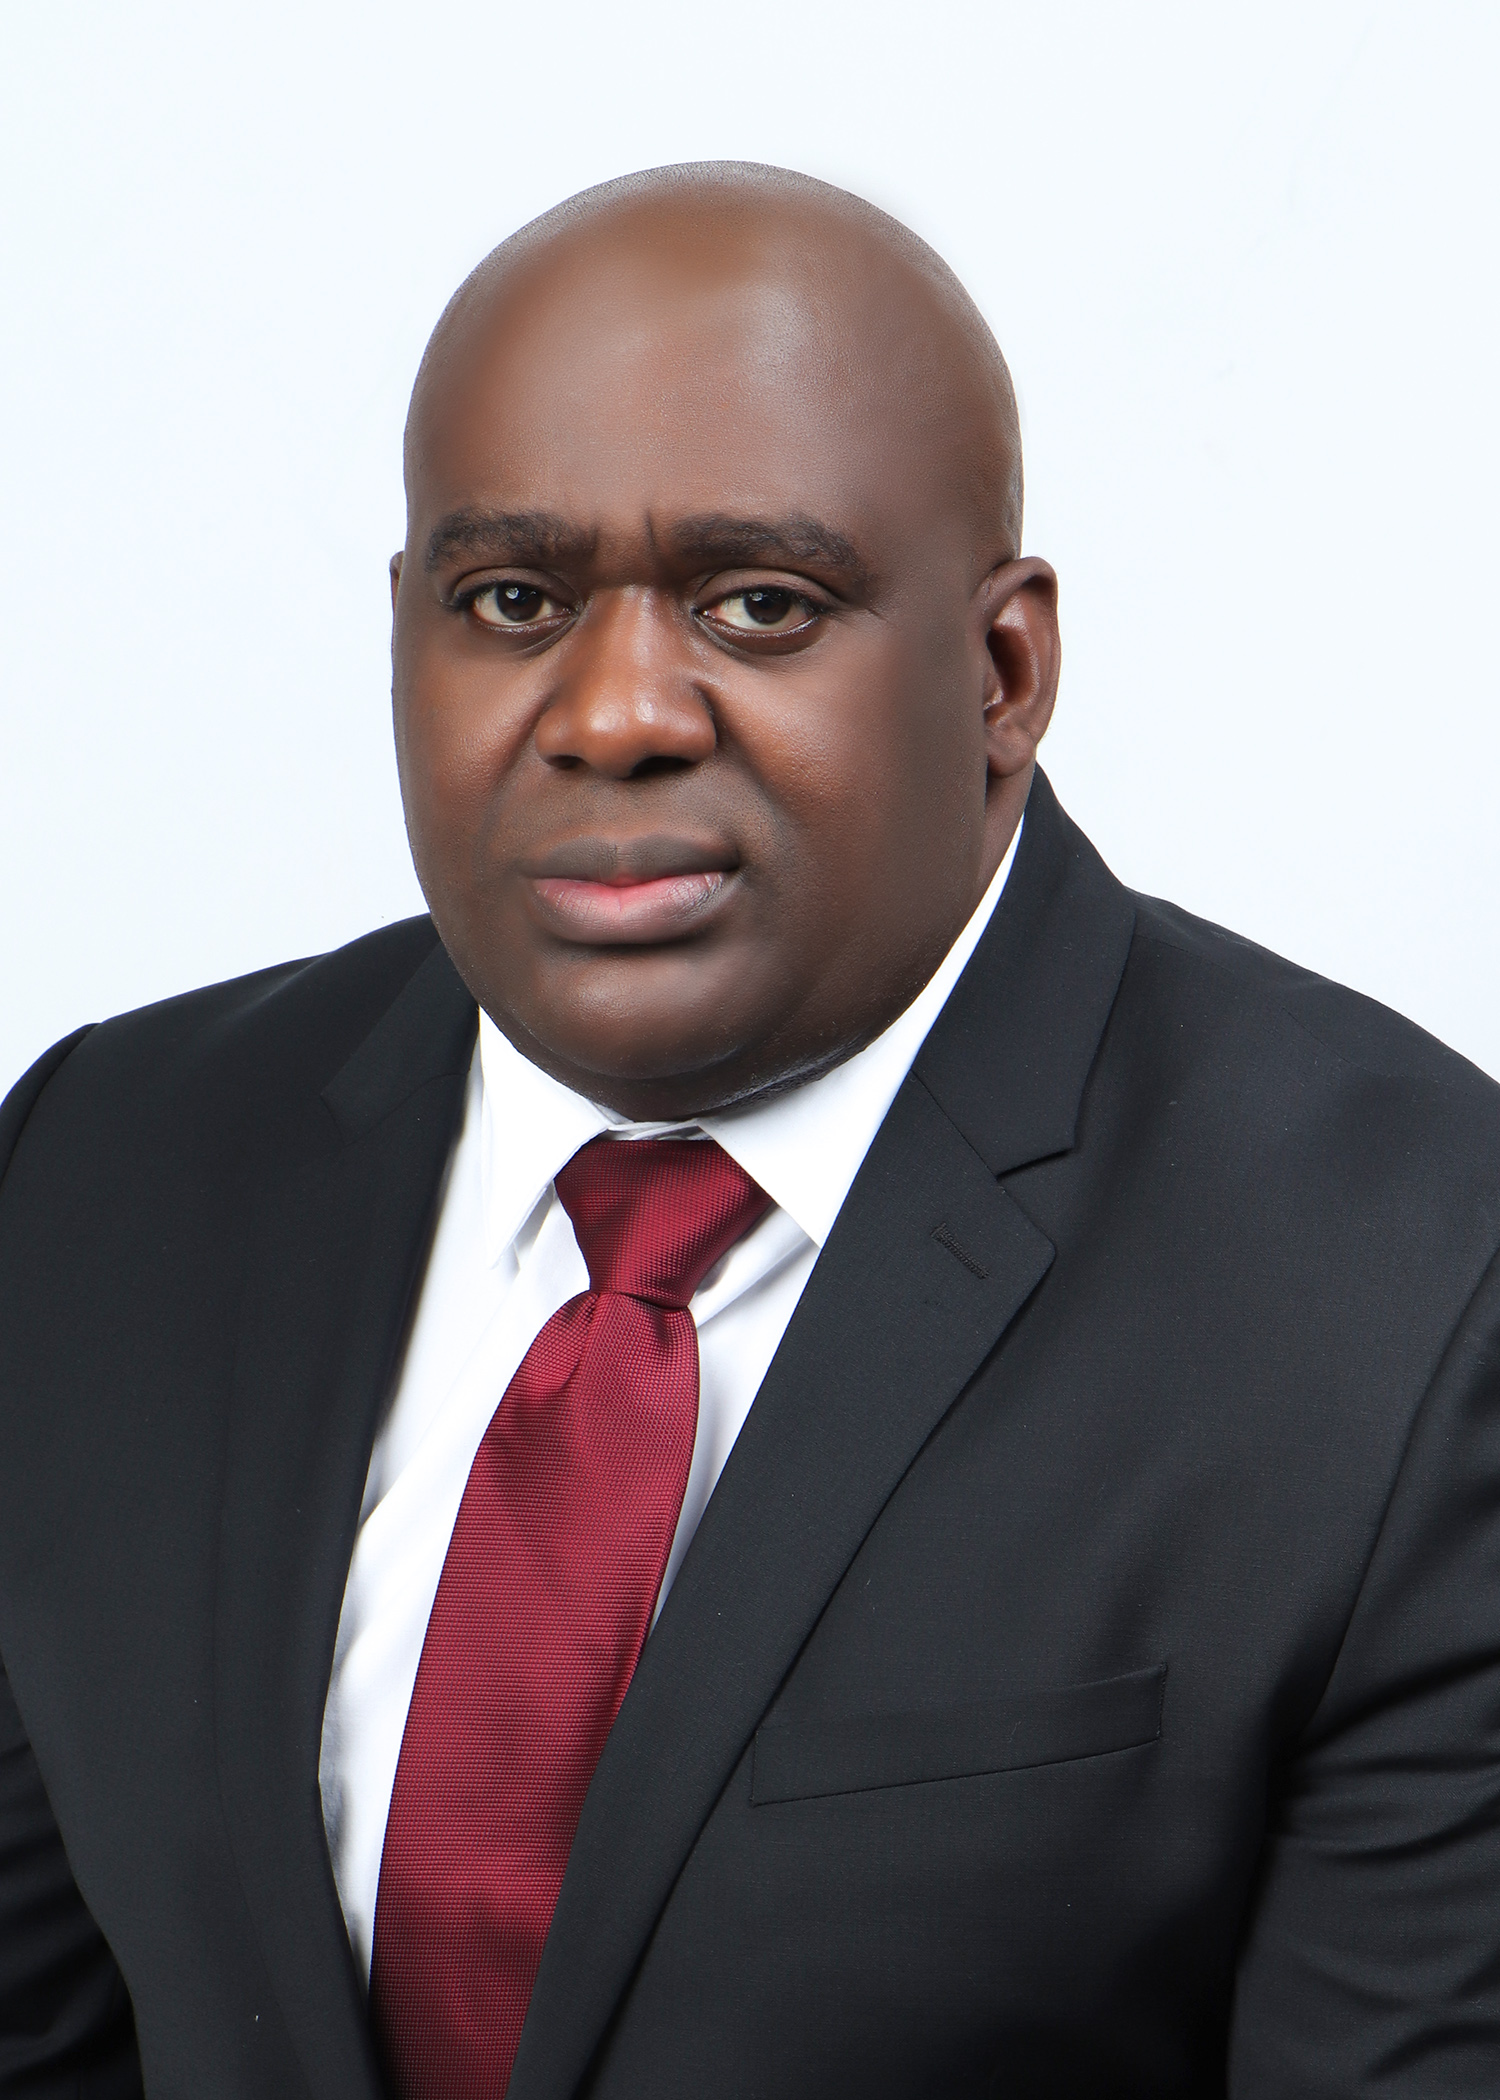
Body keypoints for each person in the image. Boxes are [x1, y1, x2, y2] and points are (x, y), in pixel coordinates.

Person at [2, 161, 1499, 2100]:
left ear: (1004, 674)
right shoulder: (98, 1179)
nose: (616, 712)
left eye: (761, 605)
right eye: (513, 602)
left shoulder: (1413, 1294)